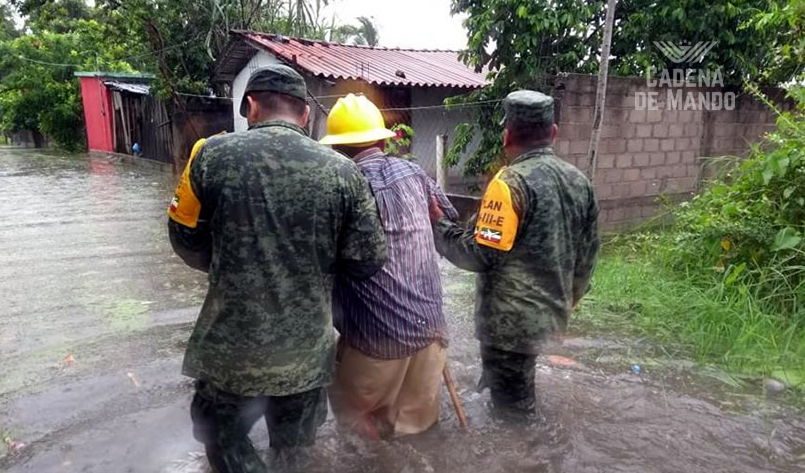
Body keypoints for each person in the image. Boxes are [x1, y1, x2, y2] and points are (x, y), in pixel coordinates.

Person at [167, 65, 387, 472]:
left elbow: (184, 240)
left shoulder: (209, 156)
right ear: (306, 114)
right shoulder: (344, 173)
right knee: (296, 457)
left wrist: (230, 264)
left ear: (250, 106)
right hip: (304, 358)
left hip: (229, 354)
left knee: (223, 441)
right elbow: (369, 259)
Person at [429, 90, 600, 418]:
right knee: (505, 390)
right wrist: (567, 299)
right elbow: (588, 255)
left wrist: (439, 225)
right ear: (553, 133)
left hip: (509, 327)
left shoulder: (509, 183)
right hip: (550, 316)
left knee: (515, 419)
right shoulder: (580, 182)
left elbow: (480, 255)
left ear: (506, 136)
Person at [320, 94, 459, 439]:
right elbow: (446, 219)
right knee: (419, 437)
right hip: (430, 334)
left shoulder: (338, 187)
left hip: (372, 343)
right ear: (384, 139)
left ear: (337, 149)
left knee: (360, 437)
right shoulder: (414, 172)